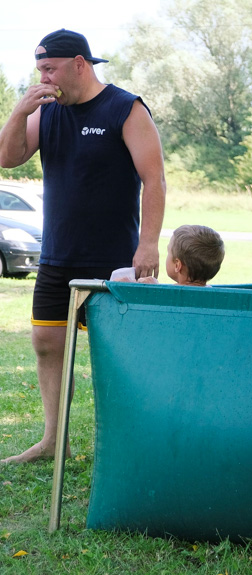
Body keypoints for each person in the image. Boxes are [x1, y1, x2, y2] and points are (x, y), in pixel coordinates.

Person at [0, 29, 166, 464]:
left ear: (79, 63)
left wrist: (148, 244)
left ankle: (128, 447)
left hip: (114, 260)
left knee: (117, 356)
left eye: (50, 68)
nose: (44, 78)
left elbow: (155, 179)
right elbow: (8, 156)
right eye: (39, 70)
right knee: (45, 344)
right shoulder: (46, 110)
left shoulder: (125, 108)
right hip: (58, 257)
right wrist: (20, 110)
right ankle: (54, 440)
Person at [115, 225, 225, 286]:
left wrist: (128, 286)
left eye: (169, 251)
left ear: (177, 265)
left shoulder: (167, 296)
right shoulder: (214, 297)